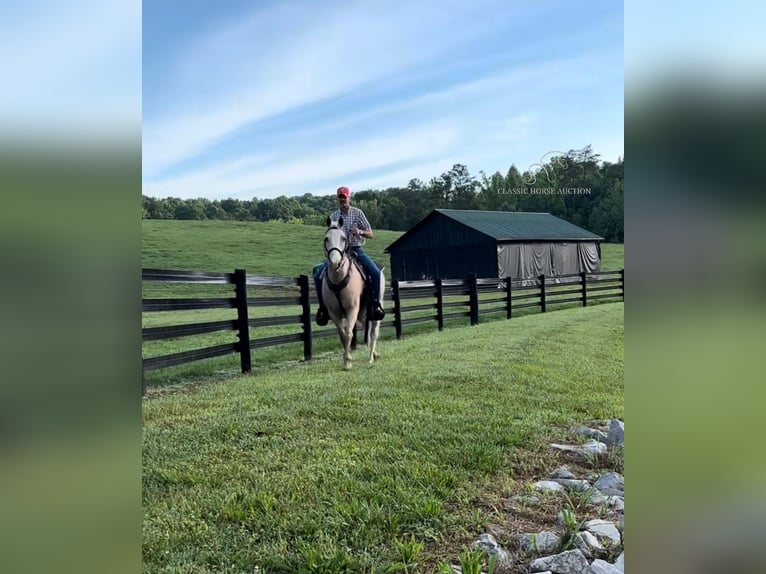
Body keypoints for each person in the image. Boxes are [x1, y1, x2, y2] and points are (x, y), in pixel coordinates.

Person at [314, 186, 386, 326]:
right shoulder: (334, 216)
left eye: (344, 197)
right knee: (318, 275)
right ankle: (323, 309)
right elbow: (329, 235)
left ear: (349, 197)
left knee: (375, 273)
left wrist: (359, 232)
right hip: (339, 252)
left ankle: (375, 306)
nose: (342, 199)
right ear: (337, 198)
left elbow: (371, 233)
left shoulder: (357, 213)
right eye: (340, 197)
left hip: (356, 249)